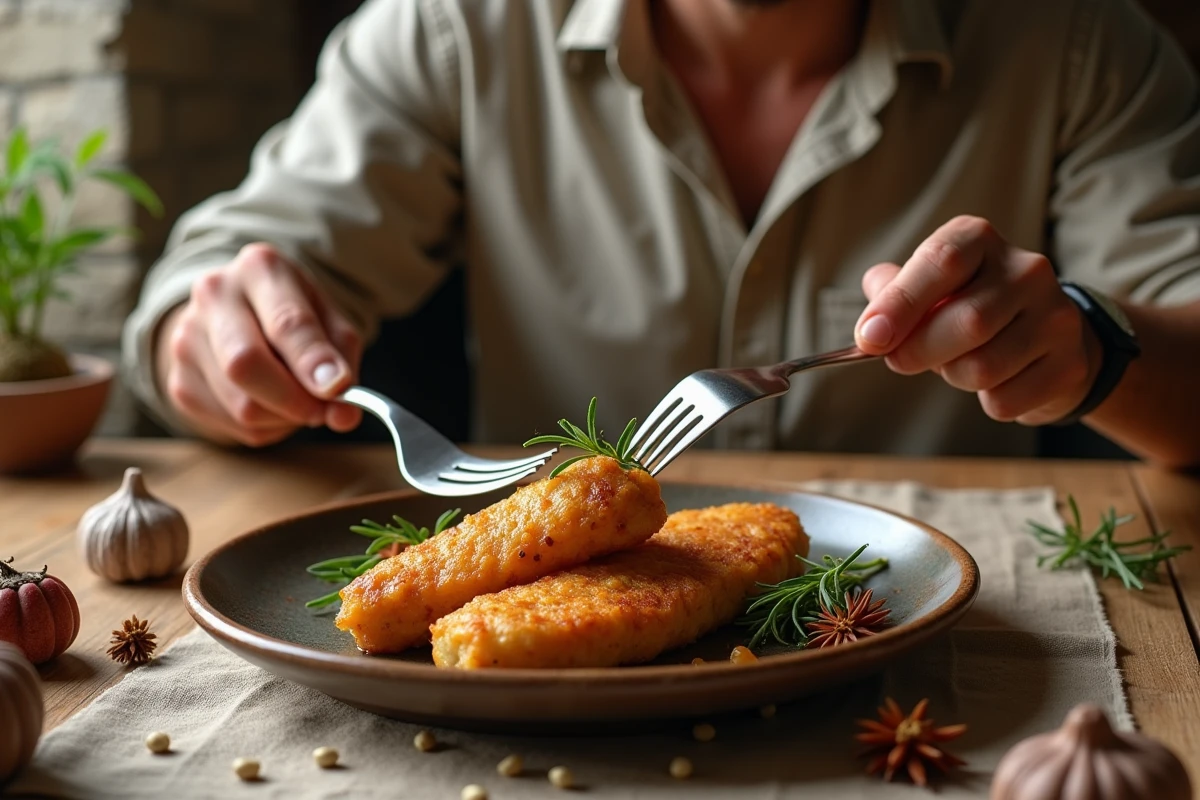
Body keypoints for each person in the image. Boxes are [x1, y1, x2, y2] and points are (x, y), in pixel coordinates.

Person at [123, 0, 1200, 467]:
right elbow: (232, 269)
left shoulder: (1078, 41)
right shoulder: (455, 28)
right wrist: (213, 333)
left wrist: (1093, 351)